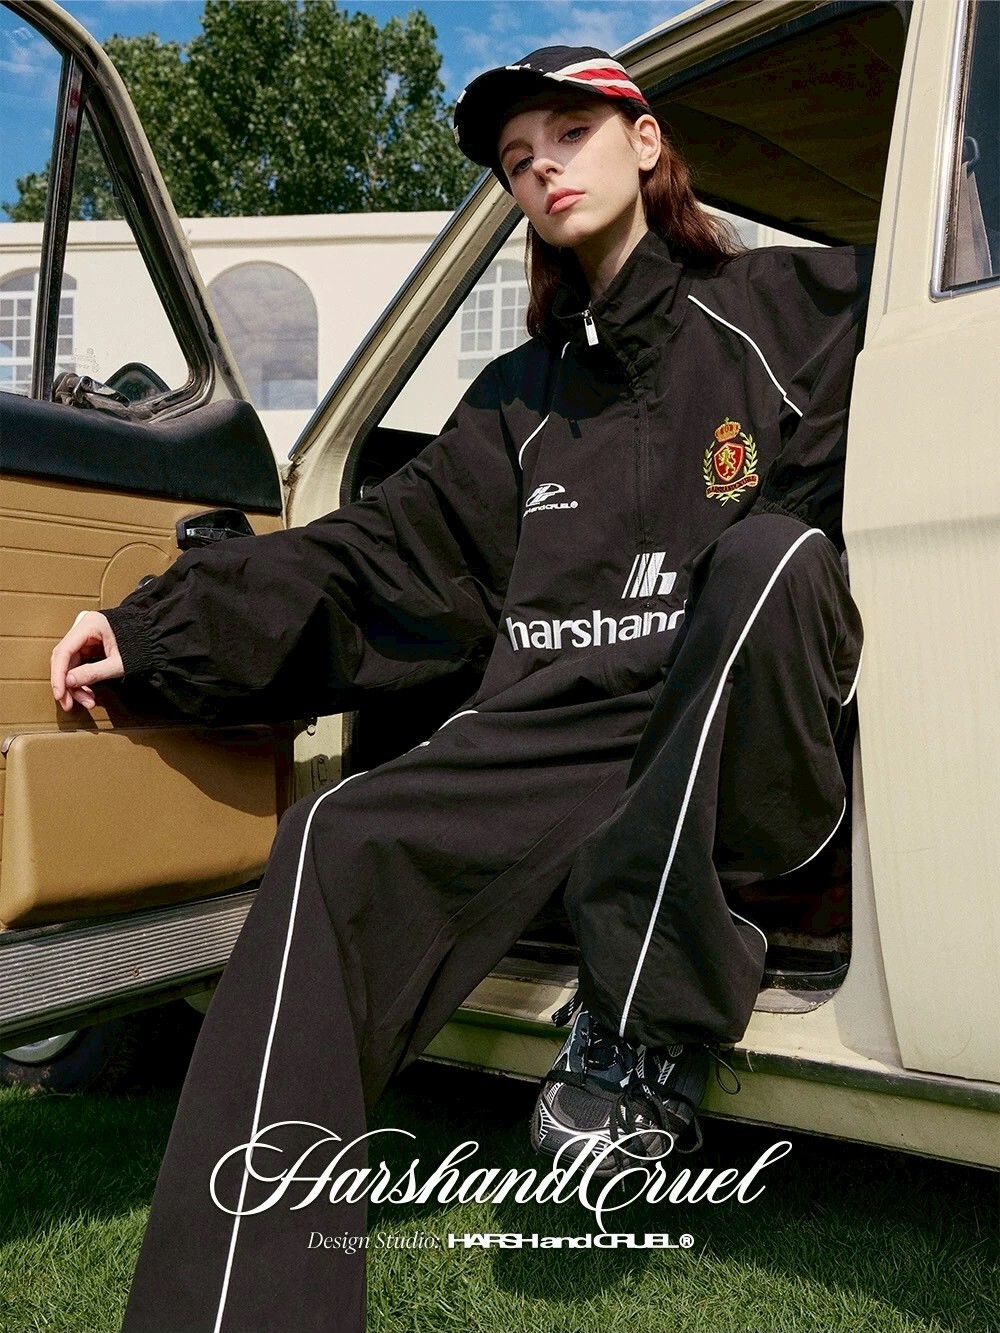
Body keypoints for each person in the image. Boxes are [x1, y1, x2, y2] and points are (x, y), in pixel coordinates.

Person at [50, 46, 870, 1332]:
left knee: (770, 556)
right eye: (516, 158)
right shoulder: (516, 403)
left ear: (645, 142)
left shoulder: (793, 310)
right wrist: (155, 628)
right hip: (560, 734)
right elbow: (371, 552)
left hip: (738, 725)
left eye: (567, 132)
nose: (541, 165)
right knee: (332, 834)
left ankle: (637, 1026)